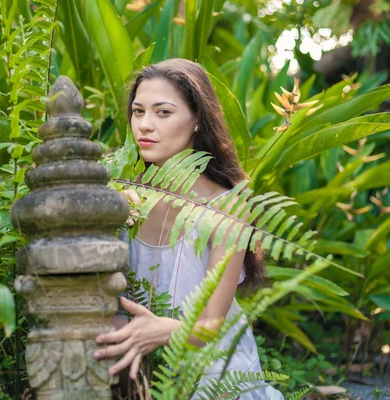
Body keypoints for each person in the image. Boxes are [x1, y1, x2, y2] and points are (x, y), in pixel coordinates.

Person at [93, 59, 284, 400]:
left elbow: (210, 325)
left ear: (197, 120)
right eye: (138, 112)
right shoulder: (120, 195)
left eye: (163, 113)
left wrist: (161, 330)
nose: (145, 125)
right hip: (134, 362)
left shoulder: (227, 207)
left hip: (213, 373)